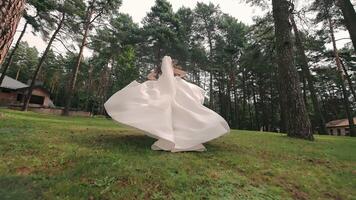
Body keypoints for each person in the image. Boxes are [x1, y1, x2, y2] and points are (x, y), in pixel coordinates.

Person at [104, 56, 230, 152]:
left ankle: (174, 133)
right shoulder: (161, 73)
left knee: (174, 109)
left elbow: (179, 74)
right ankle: (176, 133)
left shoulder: (168, 73)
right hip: (165, 88)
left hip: (169, 89)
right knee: (171, 109)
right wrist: (170, 76)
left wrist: (173, 75)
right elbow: (154, 76)